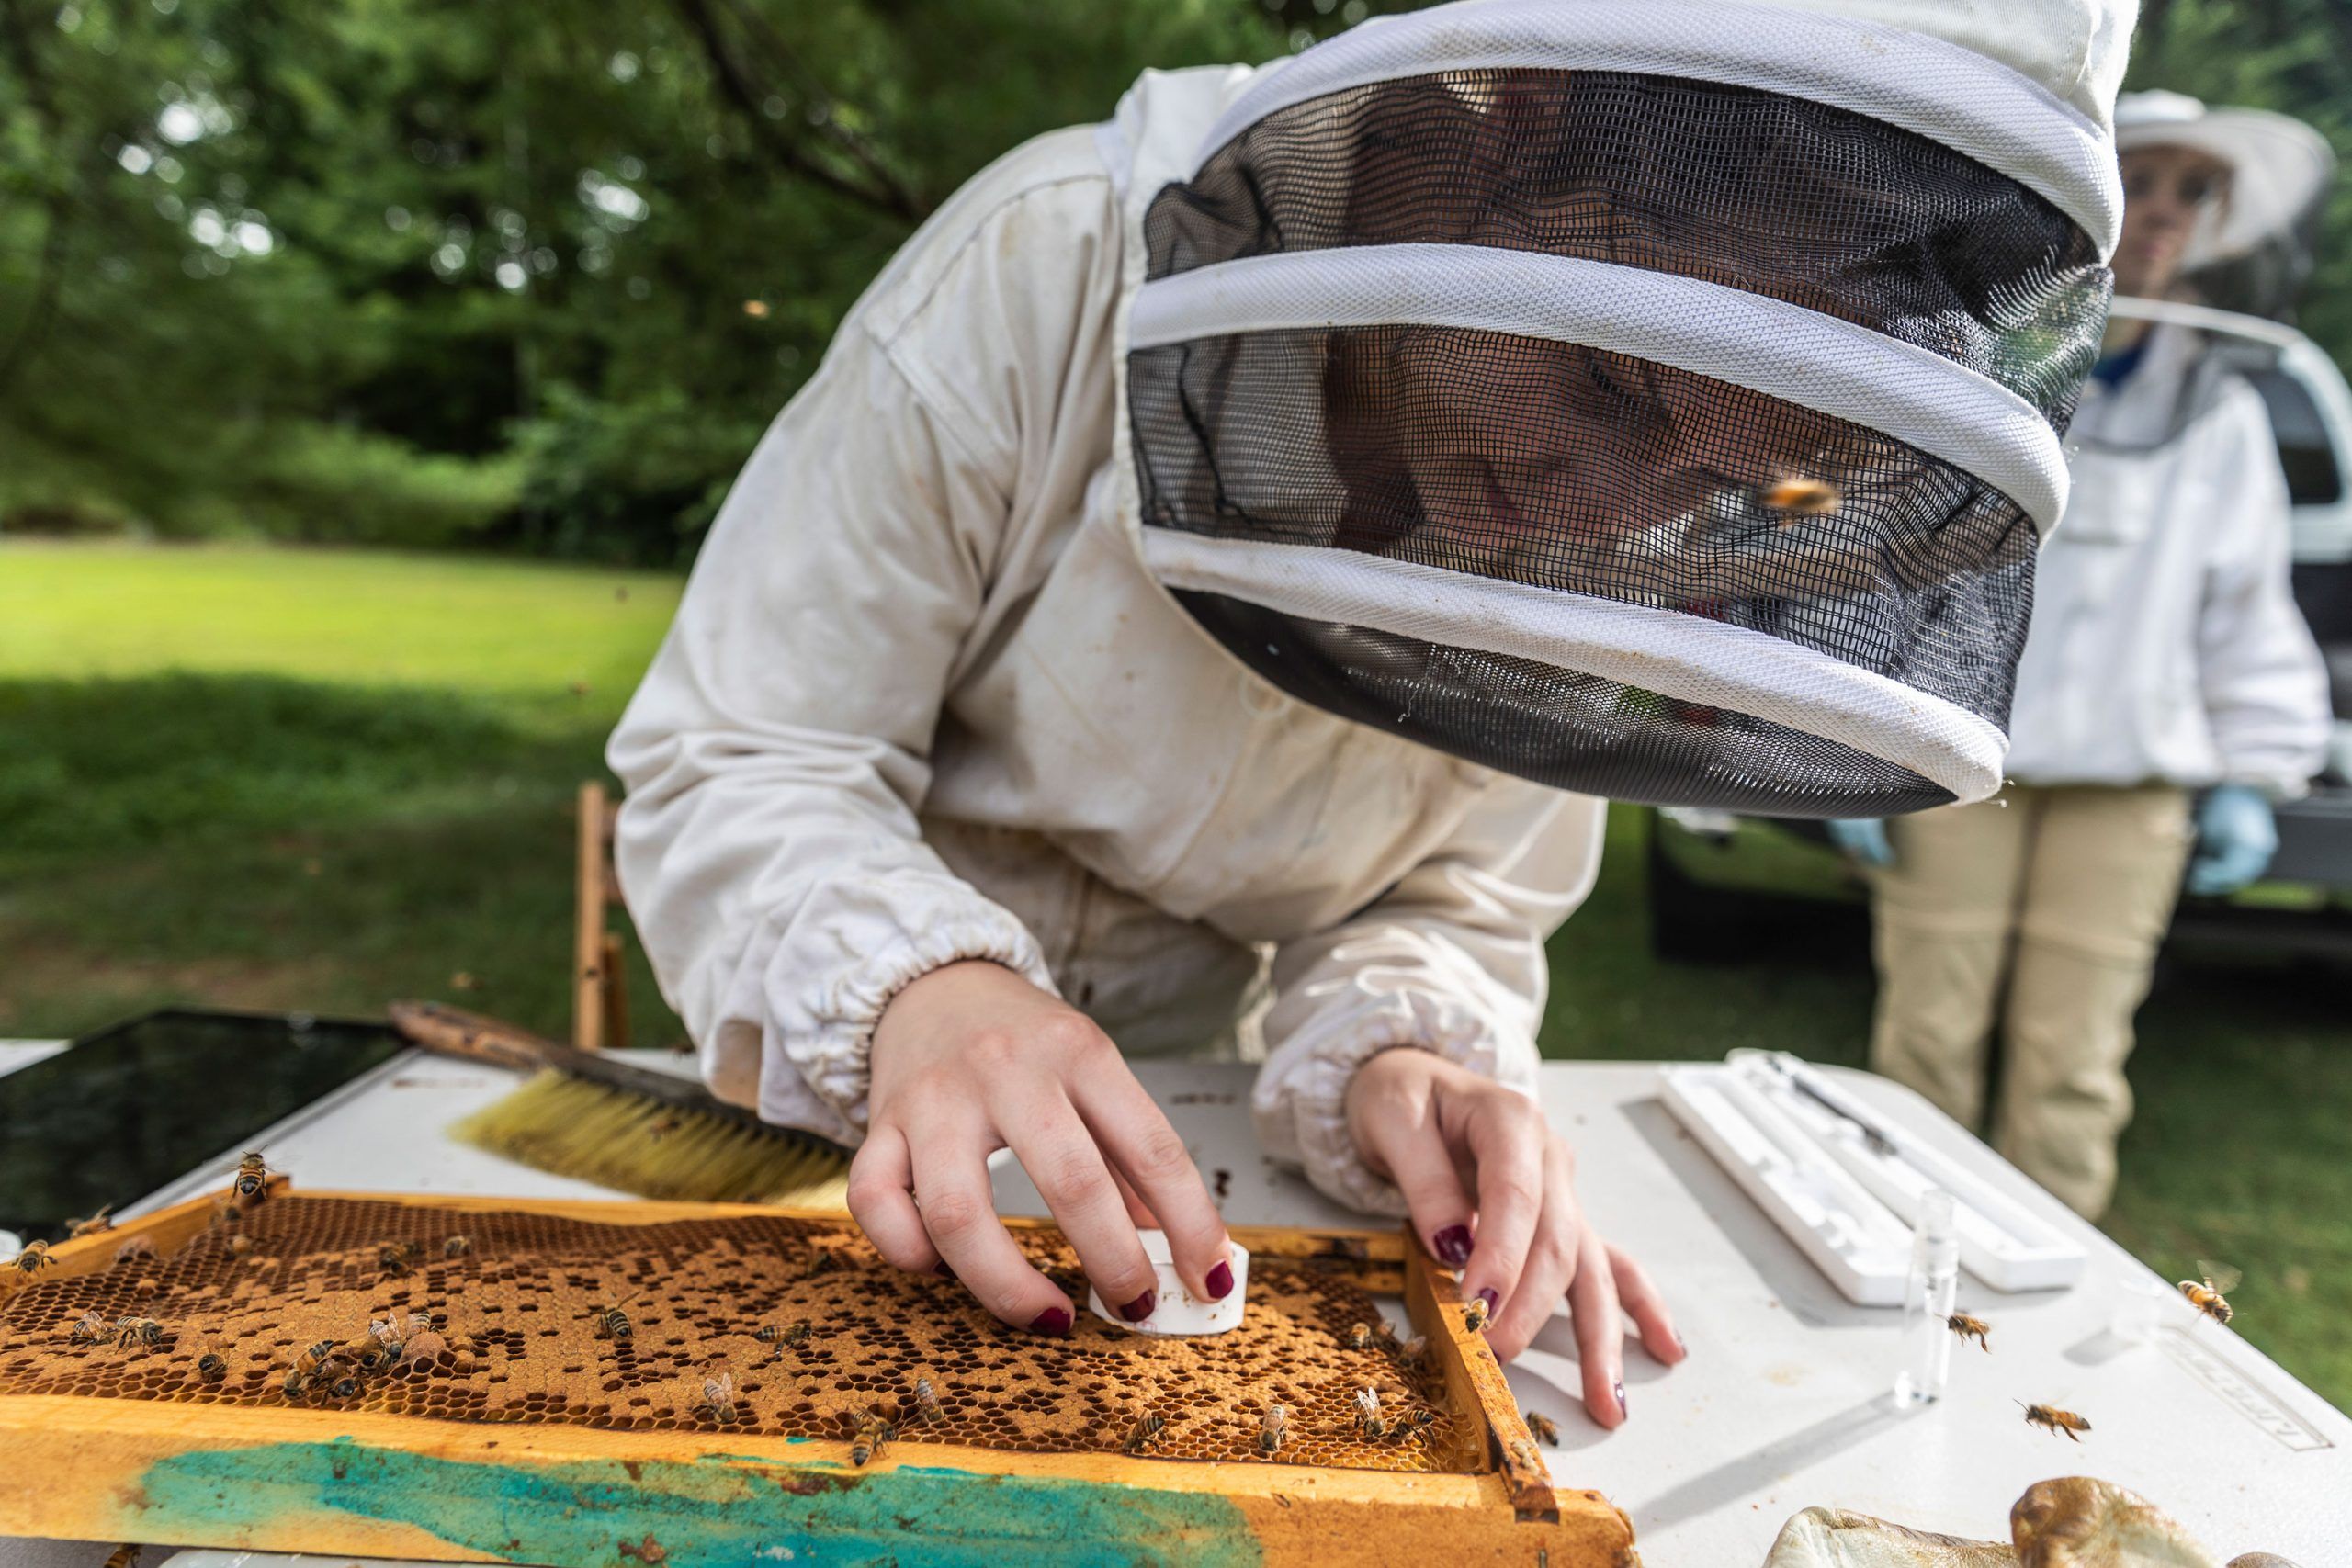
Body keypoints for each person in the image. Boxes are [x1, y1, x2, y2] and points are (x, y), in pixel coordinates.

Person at [608, 0, 2134, 1426]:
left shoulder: (1618, 525)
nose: (1601, 506)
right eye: (1606, 384)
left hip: (1181, 1194)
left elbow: (1452, 894)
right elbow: (740, 751)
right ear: (1520, 121)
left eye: (1704, 482)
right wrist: (921, 996)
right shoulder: (1051, 261)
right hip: (807, 1135)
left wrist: (1405, 1058)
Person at [1829, 90, 2334, 1220]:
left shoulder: (2223, 415)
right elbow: (1889, 560)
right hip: (1957, 763)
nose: (2161, 214)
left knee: (2071, 1066)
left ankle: (2041, 1306)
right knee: (1927, 1040)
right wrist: (1857, 723)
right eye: (2143, 181)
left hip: (2127, 790)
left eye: (2190, 192)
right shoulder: (1972, 375)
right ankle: (1894, 1273)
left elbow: (2242, 607)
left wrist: (2250, 776)